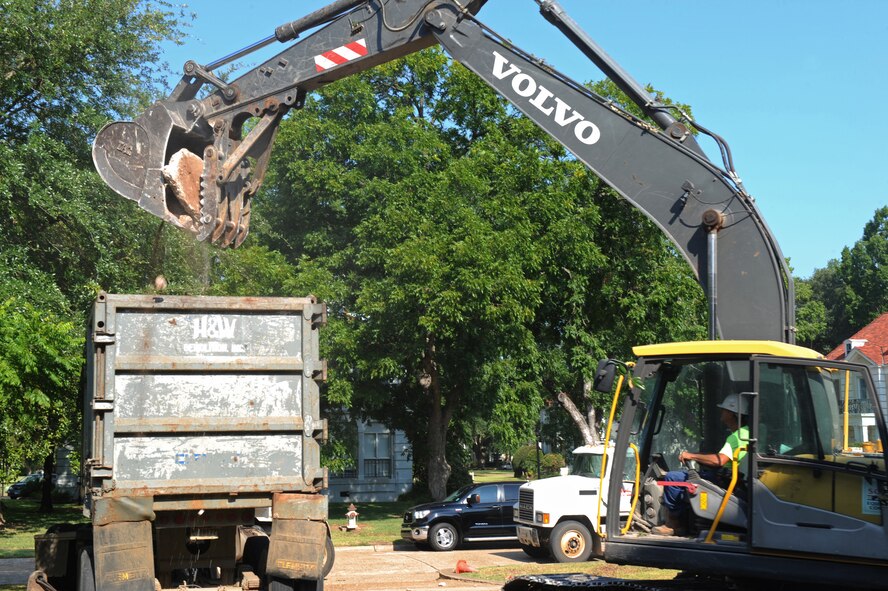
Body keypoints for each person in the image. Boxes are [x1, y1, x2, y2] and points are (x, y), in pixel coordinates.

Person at [651, 393, 749, 536]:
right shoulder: (747, 433)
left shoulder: (736, 437)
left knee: (672, 478)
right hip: (733, 478)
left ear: (732, 413)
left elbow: (719, 460)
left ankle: (673, 525)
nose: (722, 412)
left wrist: (691, 455)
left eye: (724, 409)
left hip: (723, 479)